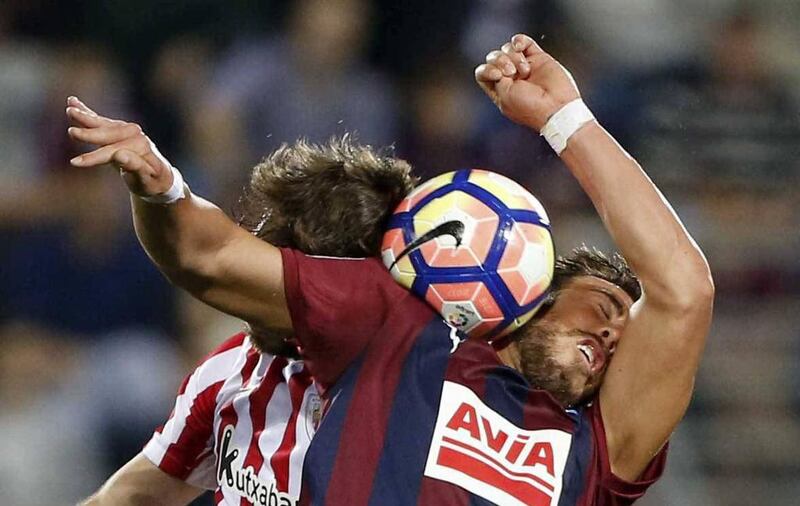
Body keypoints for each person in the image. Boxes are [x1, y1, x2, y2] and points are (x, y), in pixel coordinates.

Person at [67, 33, 714, 505]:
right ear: (527, 296)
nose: (614, 334)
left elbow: (683, 290)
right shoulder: (403, 334)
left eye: (626, 335)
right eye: (603, 308)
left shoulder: (599, 456)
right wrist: (163, 188)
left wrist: (565, 119)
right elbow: (207, 257)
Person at [78, 138, 417, 506]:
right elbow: (129, 497)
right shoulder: (234, 373)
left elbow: (199, 259)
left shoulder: (430, 388)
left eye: (280, 255)